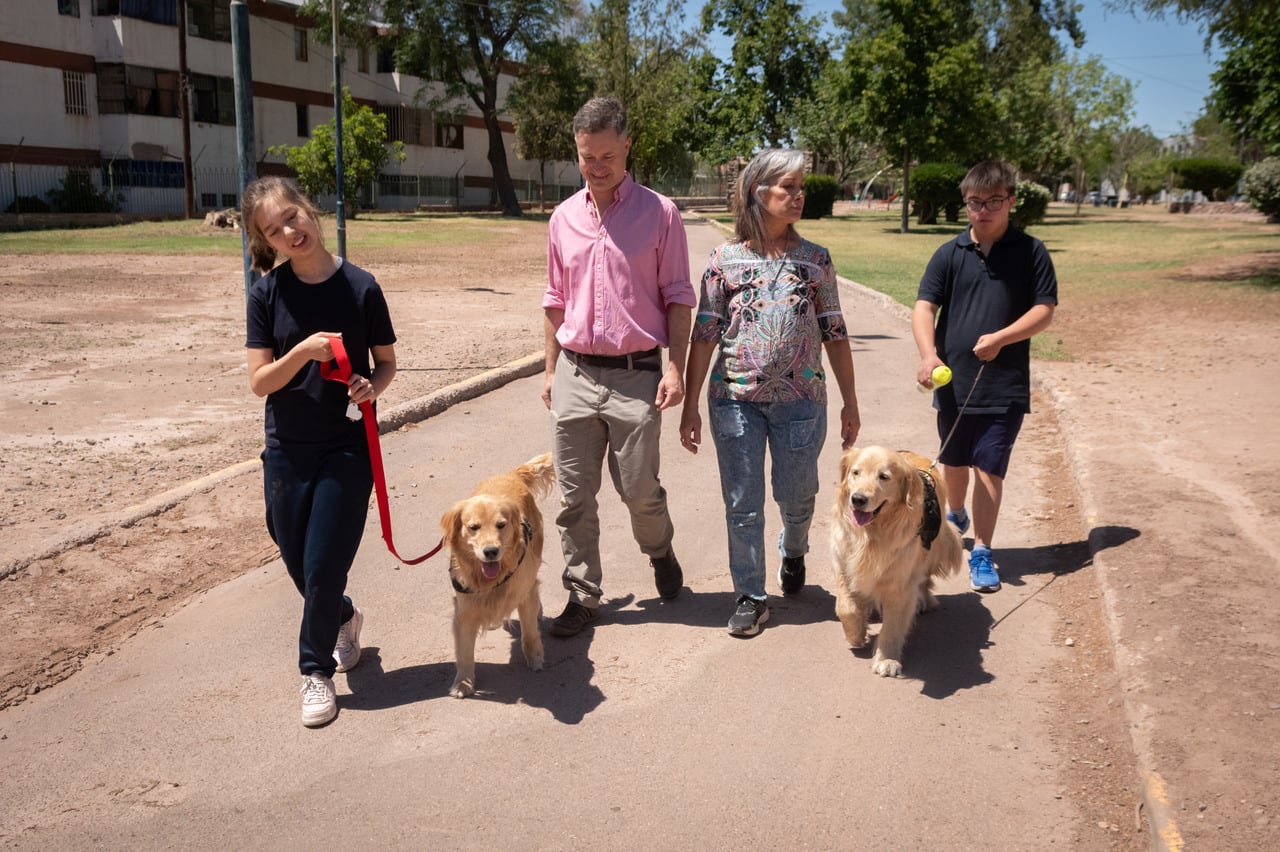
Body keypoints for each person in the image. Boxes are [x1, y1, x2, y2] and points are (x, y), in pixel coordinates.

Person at [680, 149, 861, 637]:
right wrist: (691, 405)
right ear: (758, 193)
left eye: (801, 186)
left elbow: (836, 333)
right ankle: (751, 595)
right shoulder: (724, 260)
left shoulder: (816, 260)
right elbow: (704, 335)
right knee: (742, 502)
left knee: (797, 495)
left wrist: (851, 402)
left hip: (802, 401)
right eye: (788, 188)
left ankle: (793, 547)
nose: (799, 195)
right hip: (735, 400)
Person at [242, 176, 398, 726]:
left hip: (344, 449)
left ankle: (315, 674)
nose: (289, 230)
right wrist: (303, 353)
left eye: (292, 216)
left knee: (323, 563)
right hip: (285, 451)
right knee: (302, 569)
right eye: (273, 229)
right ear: (267, 242)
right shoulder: (266, 295)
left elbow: (386, 365)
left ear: (309, 210)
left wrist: (370, 389)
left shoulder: (361, 288)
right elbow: (260, 381)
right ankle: (345, 616)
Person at [541, 96, 697, 637]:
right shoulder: (562, 218)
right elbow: (554, 298)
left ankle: (659, 551)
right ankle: (583, 594)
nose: (597, 167)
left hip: (638, 375)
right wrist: (548, 369)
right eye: (587, 157)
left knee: (638, 491)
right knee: (573, 495)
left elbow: (679, 296)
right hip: (576, 372)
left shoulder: (660, 213)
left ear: (627, 146)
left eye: (607, 155)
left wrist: (675, 367)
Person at [912, 161, 1057, 593]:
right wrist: (927, 354)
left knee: (989, 469)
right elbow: (924, 307)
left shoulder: (1030, 252)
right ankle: (956, 516)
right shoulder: (950, 254)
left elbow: (1044, 311)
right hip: (953, 383)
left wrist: (1002, 337)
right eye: (975, 202)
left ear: (1011, 200)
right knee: (954, 463)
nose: (983, 210)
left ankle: (982, 551)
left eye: (993, 201)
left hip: (1004, 385)